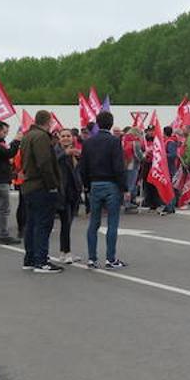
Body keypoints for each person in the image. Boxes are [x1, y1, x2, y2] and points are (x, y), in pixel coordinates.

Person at [80, 110, 129, 269]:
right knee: (112, 222)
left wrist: (87, 185)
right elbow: (118, 166)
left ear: (97, 123)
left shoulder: (88, 142)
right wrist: (124, 187)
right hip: (111, 184)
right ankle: (110, 258)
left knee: (94, 222)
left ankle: (92, 259)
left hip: (95, 183)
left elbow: (83, 167)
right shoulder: (114, 141)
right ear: (111, 123)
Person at [19, 110, 64, 273]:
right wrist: (52, 184)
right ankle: (41, 260)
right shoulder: (41, 137)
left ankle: (30, 258)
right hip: (40, 186)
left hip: (29, 185)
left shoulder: (28, 136)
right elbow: (44, 163)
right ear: (48, 121)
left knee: (32, 223)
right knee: (43, 224)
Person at [54, 128, 83, 264]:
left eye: (68, 136)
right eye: (63, 136)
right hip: (61, 191)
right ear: (59, 138)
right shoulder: (56, 150)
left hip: (73, 191)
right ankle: (67, 252)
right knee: (65, 222)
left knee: (69, 223)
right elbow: (53, 162)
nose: (66, 138)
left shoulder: (74, 151)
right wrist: (66, 153)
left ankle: (63, 251)